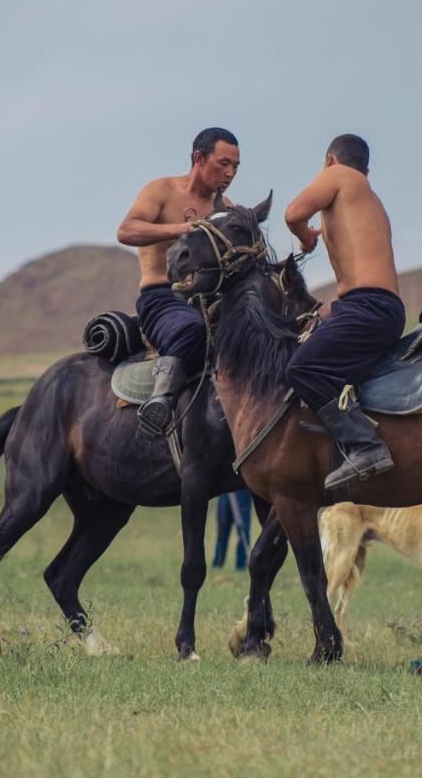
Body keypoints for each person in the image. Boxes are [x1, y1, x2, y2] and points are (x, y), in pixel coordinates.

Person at [284, 134, 406, 490]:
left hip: (367, 308)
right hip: (366, 307)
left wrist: (304, 235)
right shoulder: (366, 197)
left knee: (301, 368)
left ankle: (365, 446)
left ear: (329, 161)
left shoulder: (340, 176)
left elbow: (293, 213)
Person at [117, 127, 241, 441]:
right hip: (161, 298)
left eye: (235, 167)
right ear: (198, 158)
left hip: (210, 300)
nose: (229, 173)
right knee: (193, 329)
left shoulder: (225, 207)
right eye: (223, 163)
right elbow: (127, 231)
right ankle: (161, 403)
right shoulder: (161, 190)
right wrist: (185, 230)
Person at [211, 488, 253, 571]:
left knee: (242, 529)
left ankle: (241, 566)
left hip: (241, 488)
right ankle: (217, 563)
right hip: (225, 488)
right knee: (222, 527)